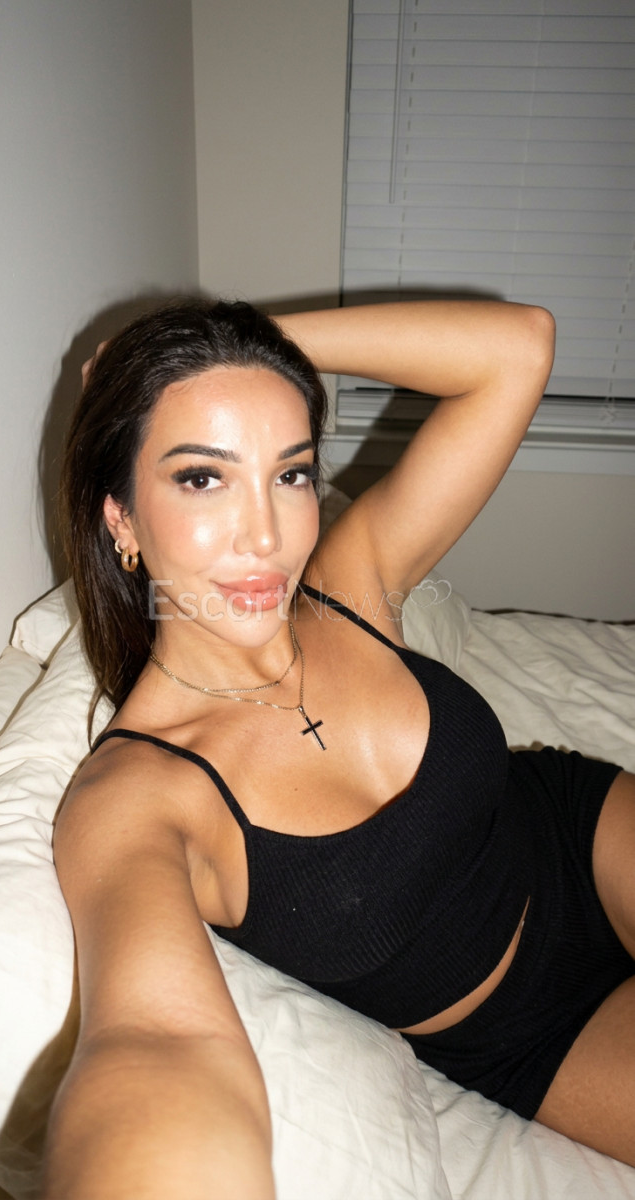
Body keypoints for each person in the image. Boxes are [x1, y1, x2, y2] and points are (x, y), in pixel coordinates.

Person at [42, 297, 635, 1199]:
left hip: (578, 833)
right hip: (532, 1037)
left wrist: (231, 344)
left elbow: (519, 347)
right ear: (119, 518)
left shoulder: (349, 586)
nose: (266, 536)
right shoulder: (137, 796)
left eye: (290, 474)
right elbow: (156, 1045)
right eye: (203, 478)